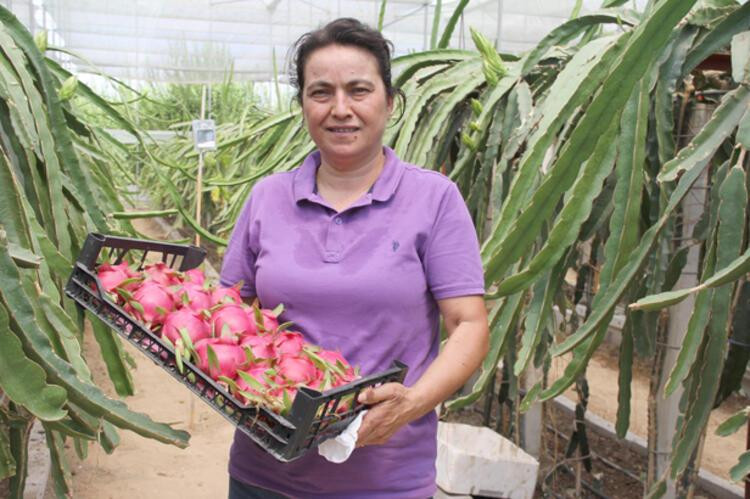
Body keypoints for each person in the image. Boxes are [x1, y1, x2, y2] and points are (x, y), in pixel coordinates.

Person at [219, 17, 489, 499]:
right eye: (320, 92)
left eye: (358, 90)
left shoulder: (435, 199)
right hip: (264, 473)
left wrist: (411, 404)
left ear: (389, 100)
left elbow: (468, 324)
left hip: (385, 480)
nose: (340, 109)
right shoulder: (267, 198)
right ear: (302, 103)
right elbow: (227, 310)